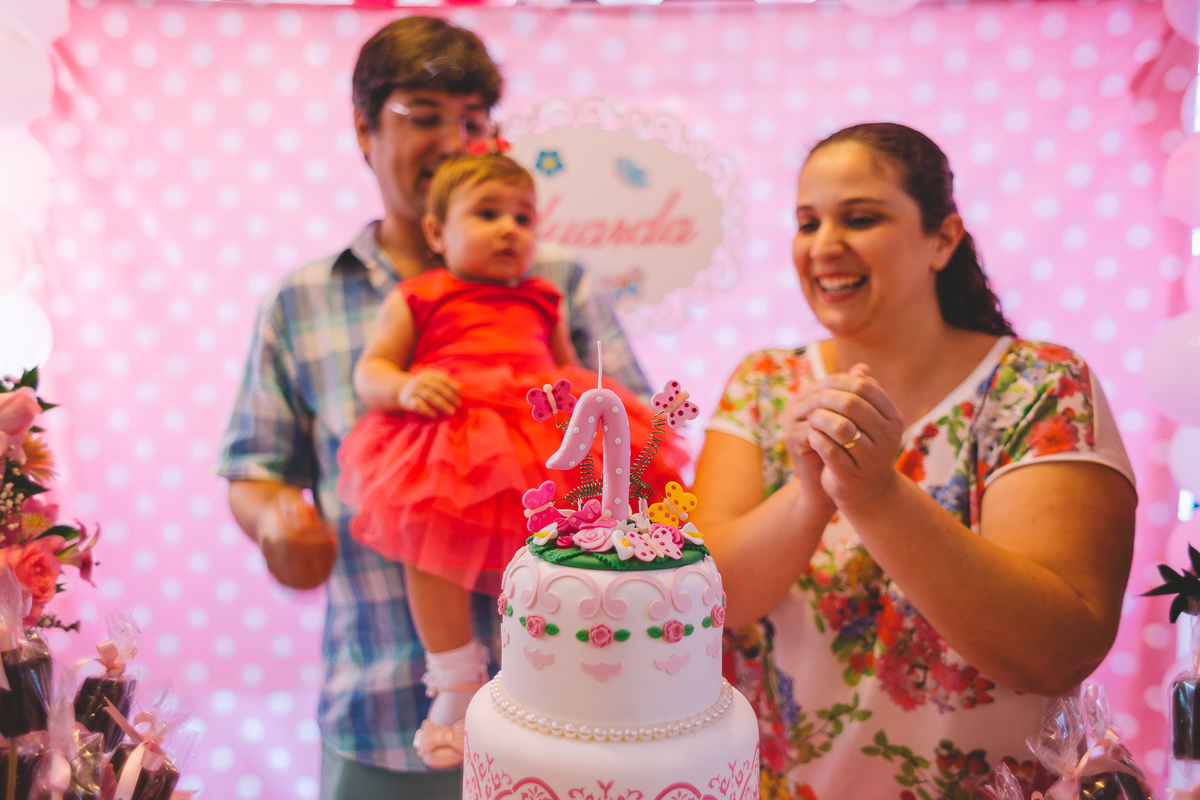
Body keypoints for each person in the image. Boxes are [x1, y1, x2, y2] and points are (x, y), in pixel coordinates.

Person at [216, 16, 652, 799]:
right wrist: (277, 522)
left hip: (567, 707)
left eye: (475, 121)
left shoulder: (558, 285)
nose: (456, 141)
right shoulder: (303, 302)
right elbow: (254, 468)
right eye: (424, 114)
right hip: (384, 716)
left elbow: (634, 449)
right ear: (362, 127)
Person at [690, 122, 1137, 799]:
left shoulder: (1039, 386)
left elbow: (1056, 649)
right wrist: (811, 494)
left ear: (943, 238)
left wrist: (875, 494)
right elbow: (709, 599)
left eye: (861, 217)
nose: (824, 245)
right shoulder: (762, 384)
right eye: (807, 222)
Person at [336, 151, 684, 770]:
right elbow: (371, 369)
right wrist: (404, 388)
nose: (509, 229)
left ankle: (556, 674)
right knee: (430, 543)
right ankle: (453, 678)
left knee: (560, 554)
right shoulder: (421, 294)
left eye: (523, 218)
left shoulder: (544, 295)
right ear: (438, 233)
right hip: (454, 433)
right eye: (488, 214)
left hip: (536, 436)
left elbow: (560, 368)